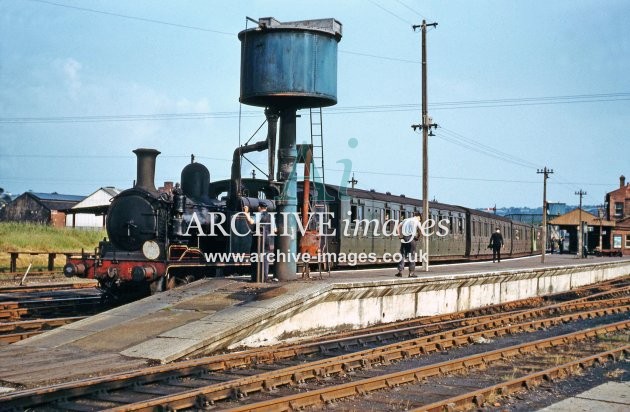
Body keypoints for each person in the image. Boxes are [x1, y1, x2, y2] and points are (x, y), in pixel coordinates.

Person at [244, 202, 276, 282]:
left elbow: (251, 221)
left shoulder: (258, 215)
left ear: (259, 207)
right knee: (265, 259)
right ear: (266, 208)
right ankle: (265, 277)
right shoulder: (271, 217)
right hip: (268, 241)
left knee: (255, 257)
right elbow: (275, 230)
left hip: (258, 241)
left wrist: (246, 213)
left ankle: (255, 277)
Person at [395, 212, 421, 278]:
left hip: (404, 238)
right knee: (412, 255)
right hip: (412, 238)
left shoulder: (405, 220)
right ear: (418, 216)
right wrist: (418, 237)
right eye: (420, 218)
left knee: (403, 254)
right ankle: (411, 273)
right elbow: (420, 230)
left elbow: (397, 227)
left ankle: (400, 272)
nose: (420, 220)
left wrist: (399, 235)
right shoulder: (417, 221)